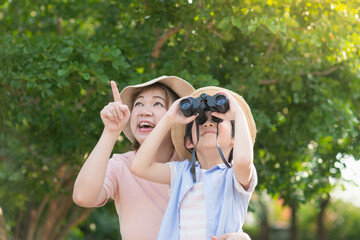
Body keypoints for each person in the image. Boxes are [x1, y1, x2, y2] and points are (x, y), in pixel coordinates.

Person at [73, 77, 252, 240]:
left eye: (157, 104)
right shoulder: (125, 166)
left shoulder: (191, 167)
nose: (144, 111)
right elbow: (83, 197)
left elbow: (239, 166)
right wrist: (111, 132)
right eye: (138, 104)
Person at [131, 86, 257, 239]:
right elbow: (139, 167)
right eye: (200, 120)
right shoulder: (181, 173)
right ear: (189, 141)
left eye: (218, 119)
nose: (208, 123)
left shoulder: (235, 175)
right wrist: (168, 119)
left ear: (234, 139)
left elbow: (243, 161)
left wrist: (237, 113)